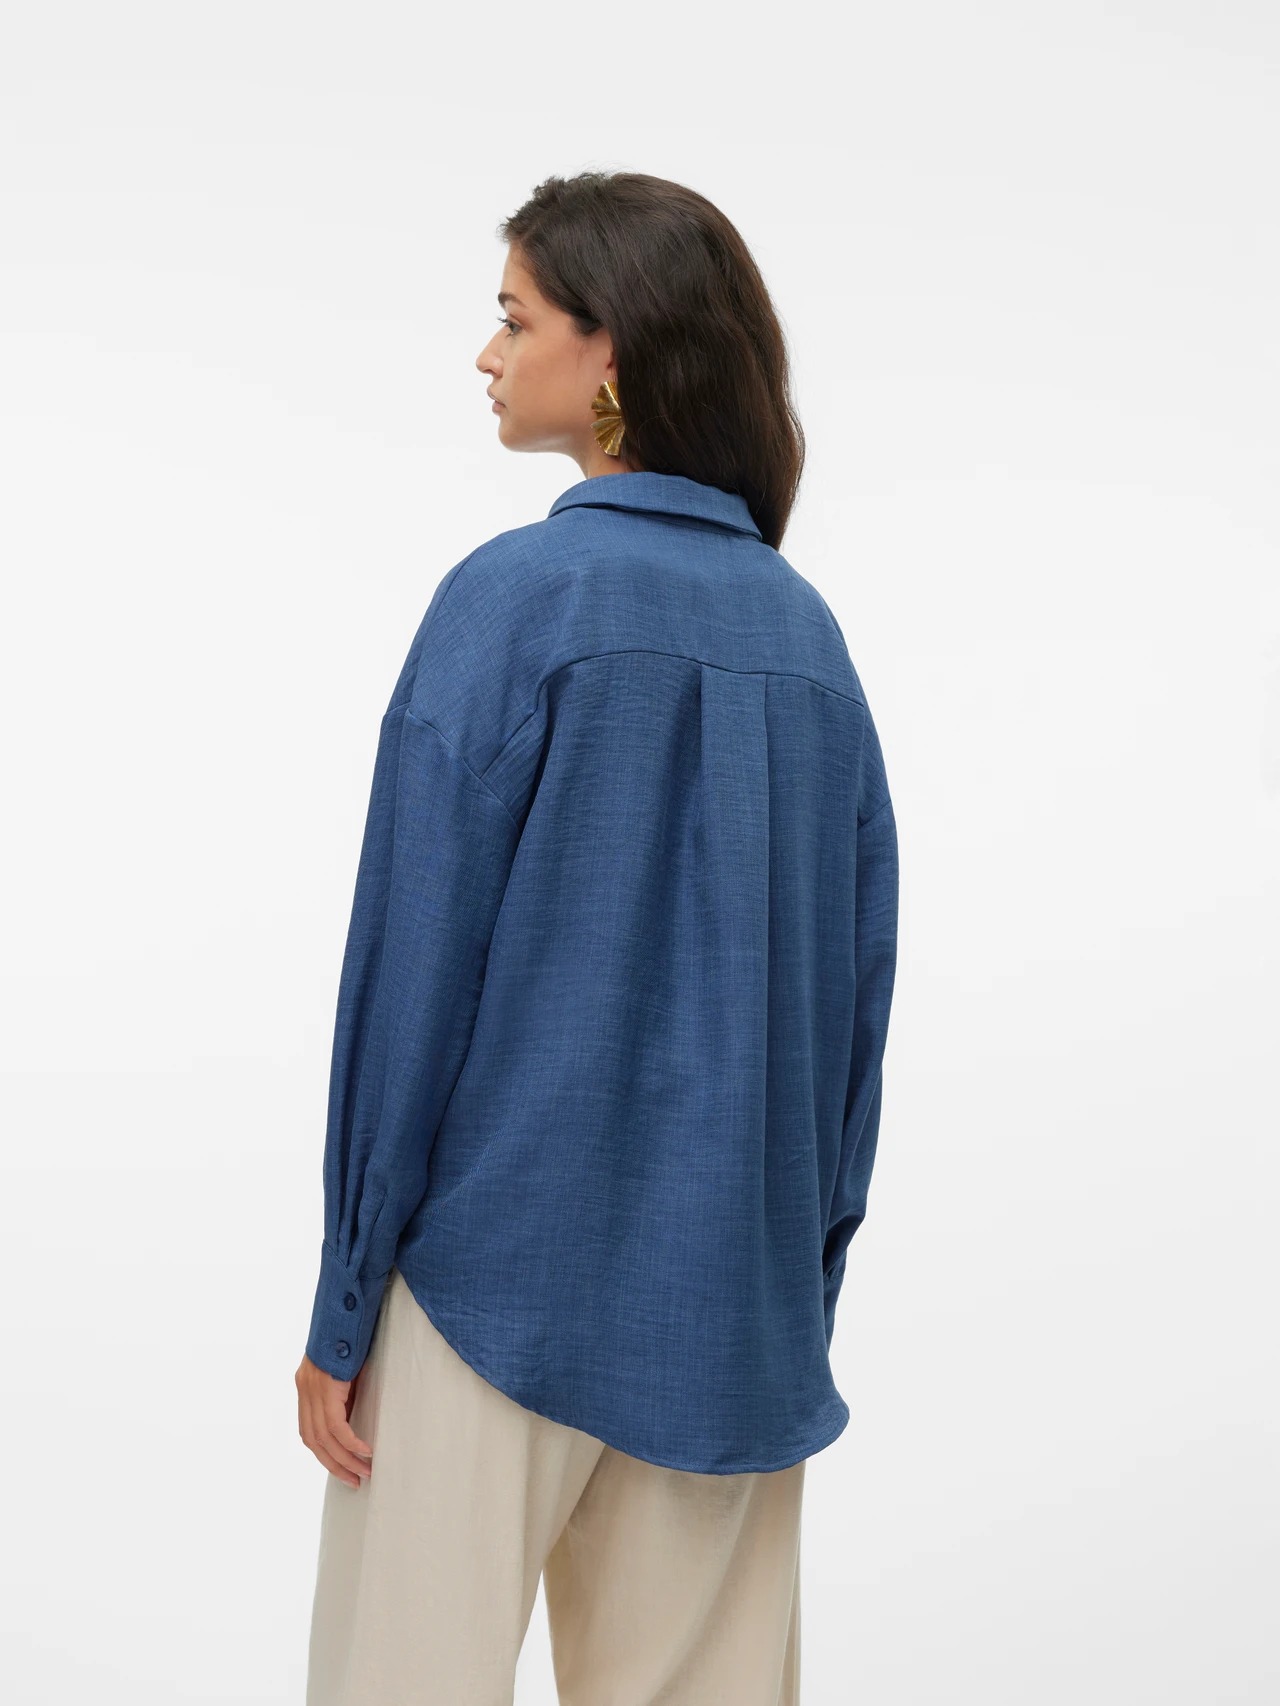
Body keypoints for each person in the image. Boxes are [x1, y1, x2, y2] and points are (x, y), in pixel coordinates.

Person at [295, 169, 899, 1705]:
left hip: (488, 1288)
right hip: (734, 1309)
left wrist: (347, 1296)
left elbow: (411, 972)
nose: (487, 354)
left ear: (609, 348)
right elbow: (854, 1014)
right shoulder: (812, 643)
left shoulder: (513, 600)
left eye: (514, 318)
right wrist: (796, 1287)